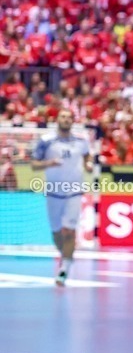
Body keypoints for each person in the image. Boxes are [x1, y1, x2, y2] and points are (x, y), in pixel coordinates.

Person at [31, 109, 93, 286]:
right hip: (53, 191)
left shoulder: (81, 140)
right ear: (57, 119)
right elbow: (34, 164)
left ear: (73, 121)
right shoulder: (46, 141)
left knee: (69, 230)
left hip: (74, 190)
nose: (66, 119)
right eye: (62, 116)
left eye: (69, 117)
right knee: (57, 231)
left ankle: (65, 267)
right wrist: (48, 163)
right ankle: (65, 255)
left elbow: (87, 155)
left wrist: (88, 164)